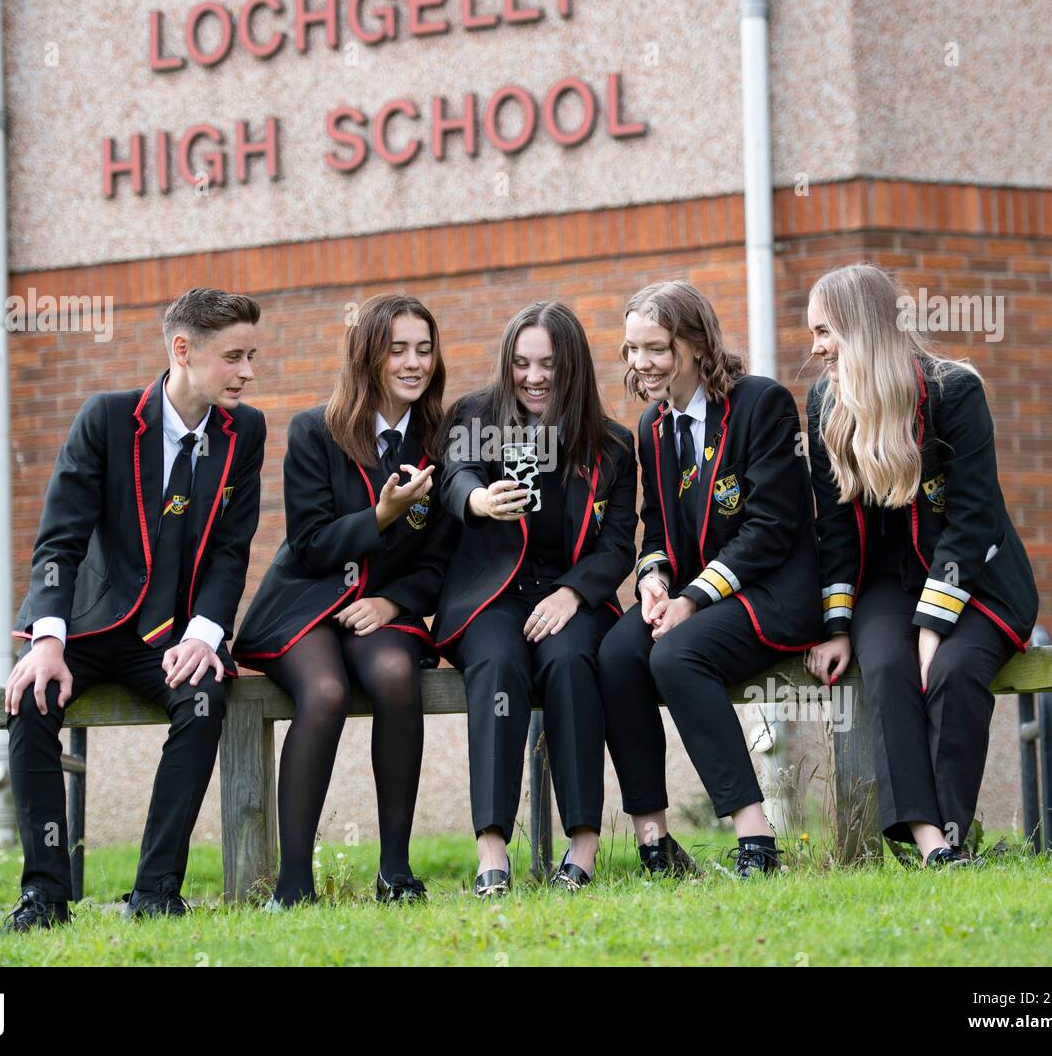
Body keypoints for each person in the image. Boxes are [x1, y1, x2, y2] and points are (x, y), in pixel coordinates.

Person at [2, 287, 266, 931]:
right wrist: (47, 640)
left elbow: (232, 551)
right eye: (233, 357)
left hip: (169, 637)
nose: (248, 372)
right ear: (183, 350)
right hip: (89, 627)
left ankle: (155, 892)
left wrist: (205, 636)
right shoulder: (109, 419)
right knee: (32, 700)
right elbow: (60, 540)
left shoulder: (245, 431)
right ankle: (45, 894)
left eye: (252, 355)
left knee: (204, 699)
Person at [802, 263, 1038, 867]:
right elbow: (833, 526)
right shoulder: (825, 400)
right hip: (886, 583)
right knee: (885, 668)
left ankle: (952, 833)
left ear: (863, 327)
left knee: (955, 672)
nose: (816, 348)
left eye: (826, 331)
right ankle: (931, 844)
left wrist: (932, 627)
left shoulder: (955, 390)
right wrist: (835, 626)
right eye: (814, 333)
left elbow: (974, 517)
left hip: (978, 579)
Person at [232, 294, 455, 905]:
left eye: (424, 349)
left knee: (393, 675)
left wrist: (392, 604)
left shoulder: (442, 440)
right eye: (398, 349)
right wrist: (380, 517)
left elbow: (443, 560)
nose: (414, 363)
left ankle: (395, 871)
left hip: (381, 606)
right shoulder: (316, 431)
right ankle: (294, 883)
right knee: (325, 692)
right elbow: (307, 545)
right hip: (306, 602)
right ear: (368, 356)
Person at [597, 281, 820, 879]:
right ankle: (655, 844)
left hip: (773, 594)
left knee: (674, 657)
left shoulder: (762, 405)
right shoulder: (653, 426)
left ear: (695, 345)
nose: (640, 363)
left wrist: (692, 598)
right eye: (631, 349)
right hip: (700, 596)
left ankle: (756, 841)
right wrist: (656, 580)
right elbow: (657, 529)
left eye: (655, 348)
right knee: (616, 653)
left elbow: (772, 529)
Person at [433, 301, 636, 894]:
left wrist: (575, 593)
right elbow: (456, 475)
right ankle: (492, 852)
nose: (534, 377)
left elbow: (619, 545)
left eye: (548, 363)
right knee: (498, 665)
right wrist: (478, 501)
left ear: (571, 365)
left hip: (570, 598)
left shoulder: (613, 447)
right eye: (521, 363)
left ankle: (584, 845)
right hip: (492, 595)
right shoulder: (476, 415)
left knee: (571, 663)